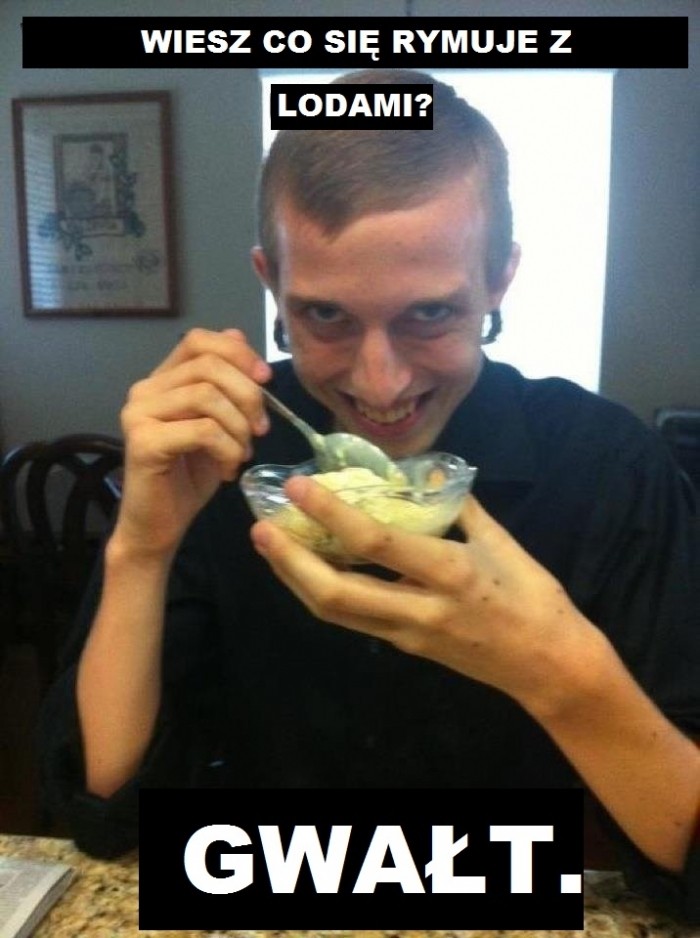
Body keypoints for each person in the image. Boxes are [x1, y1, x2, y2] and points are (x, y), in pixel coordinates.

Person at [40, 70, 699, 921]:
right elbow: (102, 815)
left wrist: (559, 675)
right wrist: (142, 547)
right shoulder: (223, 455)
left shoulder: (610, 466)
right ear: (271, 282)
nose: (379, 384)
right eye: (326, 316)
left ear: (499, 278)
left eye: (430, 314)